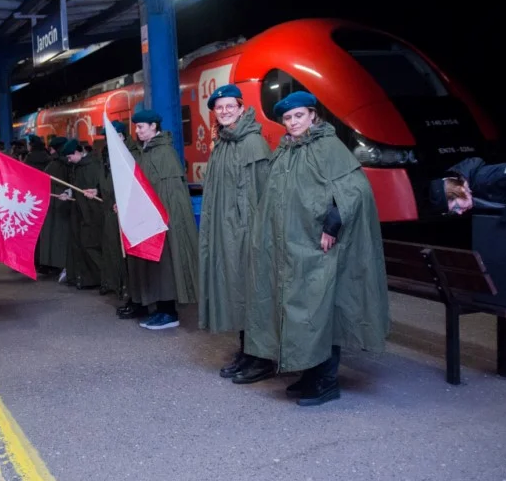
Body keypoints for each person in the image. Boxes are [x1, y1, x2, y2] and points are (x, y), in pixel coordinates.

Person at [242, 91, 389, 406]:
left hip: (316, 246)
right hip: (291, 246)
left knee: (320, 310)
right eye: (287, 118)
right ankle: (308, 374)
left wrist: (332, 224)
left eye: (298, 115)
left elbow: (356, 189)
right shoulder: (286, 150)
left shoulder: (328, 147)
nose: (293, 122)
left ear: (312, 115)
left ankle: (326, 381)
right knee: (298, 310)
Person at [197, 85, 271, 379]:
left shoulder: (253, 144)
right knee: (238, 292)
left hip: (248, 234)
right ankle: (247, 351)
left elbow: (263, 196)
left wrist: (253, 234)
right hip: (228, 232)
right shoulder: (224, 143)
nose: (225, 111)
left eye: (230, 106)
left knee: (253, 292)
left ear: (242, 108)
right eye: (219, 107)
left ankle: (262, 358)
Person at [125, 110, 199, 330]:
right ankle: (161, 309)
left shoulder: (163, 152)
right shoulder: (147, 151)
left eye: (141, 127)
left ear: (154, 127)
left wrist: (160, 216)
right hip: (151, 219)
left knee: (166, 266)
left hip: (162, 220)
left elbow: (169, 193)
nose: (137, 131)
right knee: (157, 267)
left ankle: (169, 312)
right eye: (136, 127)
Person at [98, 121, 139, 301]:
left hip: (127, 213)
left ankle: (130, 290)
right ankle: (118, 285)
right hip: (111, 211)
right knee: (113, 250)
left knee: (127, 254)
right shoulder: (108, 155)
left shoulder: (132, 154)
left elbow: (135, 184)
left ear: (121, 136)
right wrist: (97, 191)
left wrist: (123, 202)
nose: (107, 142)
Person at [63, 139, 104, 289]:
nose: (69, 160)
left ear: (77, 152)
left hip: (91, 213)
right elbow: (76, 188)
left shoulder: (92, 165)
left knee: (90, 246)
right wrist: (68, 194)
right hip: (81, 211)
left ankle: (102, 279)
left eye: (69, 157)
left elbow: (99, 187)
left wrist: (97, 192)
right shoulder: (79, 166)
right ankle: (88, 279)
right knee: (83, 246)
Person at [428, 157, 506, 224]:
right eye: (453, 212)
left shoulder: (483, 178)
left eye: (456, 207)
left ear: (460, 189)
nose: (459, 213)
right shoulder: (473, 199)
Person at [38, 137, 72, 279]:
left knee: (54, 236)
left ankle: (53, 263)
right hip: (66, 202)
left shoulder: (54, 164)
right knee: (63, 237)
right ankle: (62, 264)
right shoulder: (68, 163)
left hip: (54, 203)